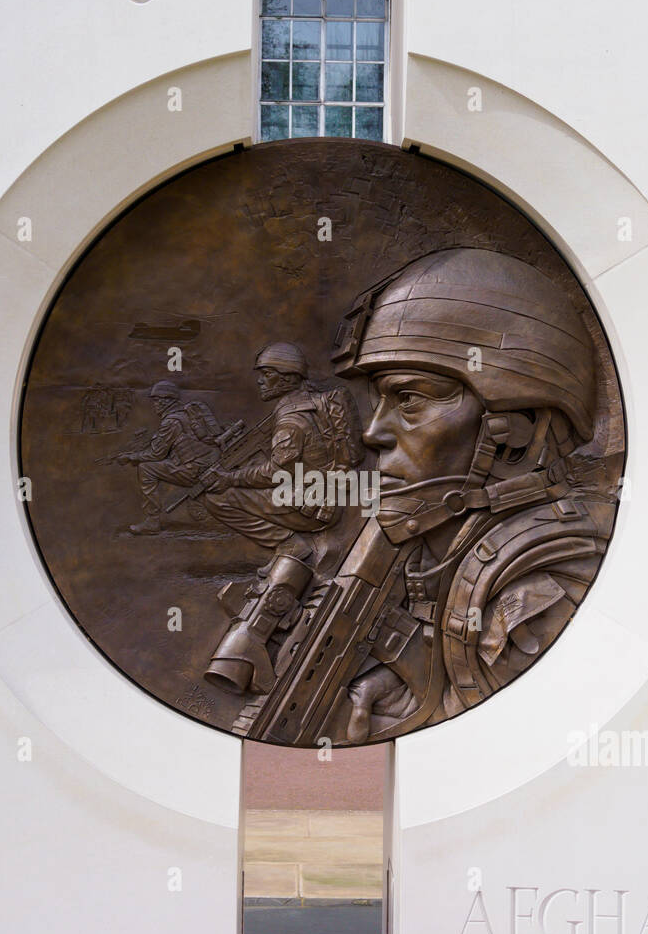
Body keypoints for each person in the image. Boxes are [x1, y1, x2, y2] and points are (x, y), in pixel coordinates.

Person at [326, 246, 619, 744]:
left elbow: (521, 746)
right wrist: (410, 679)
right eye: (379, 402)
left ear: (514, 430)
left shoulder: (550, 579)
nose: (374, 432)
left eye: (409, 398)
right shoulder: (450, 546)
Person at [202, 341, 363, 558]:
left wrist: (230, 479)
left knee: (217, 499)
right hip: (326, 494)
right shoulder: (310, 402)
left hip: (312, 507)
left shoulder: (291, 421)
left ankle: (289, 545)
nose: (260, 381)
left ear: (288, 378)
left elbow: (276, 473)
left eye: (267, 374)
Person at [114, 381, 220, 535]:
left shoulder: (171, 422)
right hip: (209, 465)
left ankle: (152, 521)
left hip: (196, 470)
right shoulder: (185, 415)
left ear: (166, 401)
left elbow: (157, 454)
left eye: (156, 400)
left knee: (146, 468)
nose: (154, 405)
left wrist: (131, 457)